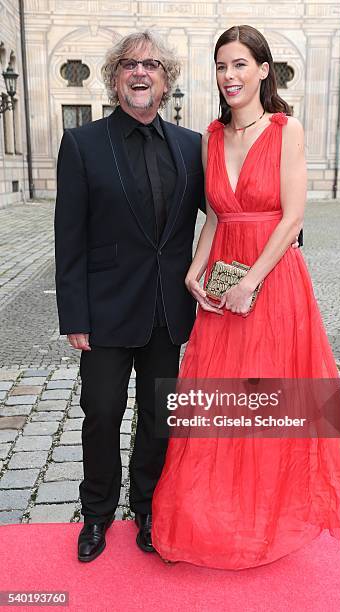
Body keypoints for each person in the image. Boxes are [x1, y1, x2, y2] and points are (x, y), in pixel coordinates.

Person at [152, 25, 340, 570]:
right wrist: (195, 273)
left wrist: (253, 280)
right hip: (225, 283)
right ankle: (216, 515)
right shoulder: (210, 135)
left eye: (241, 65)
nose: (230, 76)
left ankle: (268, 516)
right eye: (222, 66)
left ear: (263, 71)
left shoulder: (285, 129)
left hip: (273, 283)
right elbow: (217, 217)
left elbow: (293, 216)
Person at [54, 31, 205, 562]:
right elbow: (68, 238)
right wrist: (74, 315)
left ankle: (147, 508)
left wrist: (278, 229)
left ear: (167, 81)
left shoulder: (191, 146)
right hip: (105, 311)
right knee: (100, 412)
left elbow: (227, 209)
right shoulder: (82, 144)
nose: (141, 73)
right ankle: (96, 513)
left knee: (158, 415)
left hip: (168, 310)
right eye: (129, 65)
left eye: (153, 66)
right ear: (115, 76)